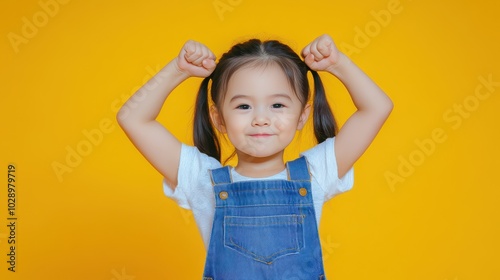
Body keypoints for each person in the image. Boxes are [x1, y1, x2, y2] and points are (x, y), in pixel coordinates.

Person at [117, 34, 393, 279]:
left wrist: (337, 64)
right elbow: (133, 119)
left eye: (277, 104)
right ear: (219, 118)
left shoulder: (315, 173)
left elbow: (377, 107)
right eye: (244, 105)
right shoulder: (201, 180)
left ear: (302, 116)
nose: (261, 119)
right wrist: (178, 70)